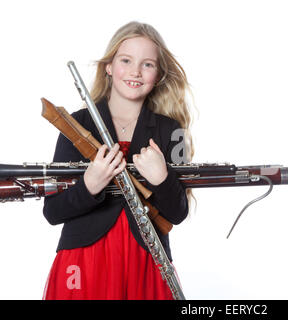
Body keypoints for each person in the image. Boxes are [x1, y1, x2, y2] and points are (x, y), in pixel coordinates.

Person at [42, 21, 194, 300]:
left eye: (147, 64)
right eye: (126, 60)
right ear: (109, 67)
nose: (136, 71)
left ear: (158, 74)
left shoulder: (174, 131)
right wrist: (89, 185)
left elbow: (178, 212)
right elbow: (52, 212)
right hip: (84, 262)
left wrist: (162, 179)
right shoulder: (75, 123)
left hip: (148, 260)